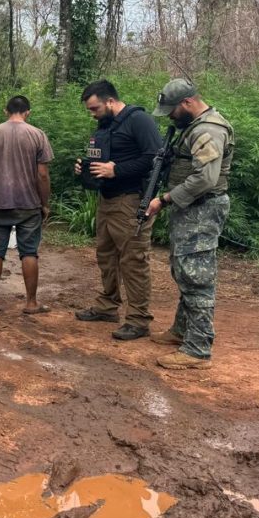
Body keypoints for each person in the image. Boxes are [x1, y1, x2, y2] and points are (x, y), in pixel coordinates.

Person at [144, 79, 234, 370]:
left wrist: (166, 199)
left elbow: (206, 179)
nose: (170, 117)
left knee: (197, 276)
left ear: (187, 103)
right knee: (184, 270)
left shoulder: (208, 130)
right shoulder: (195, 127)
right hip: (191, 209)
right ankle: (182, 330)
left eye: (172, 111)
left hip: (201, 209)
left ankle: (198, 348)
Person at [73, 80, 163, 341]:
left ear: (110, 101)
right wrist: (84, 168)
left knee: (133, 260)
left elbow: (155, 157)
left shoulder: (139, 120)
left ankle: (138, 319)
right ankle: (107, 306)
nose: (93, 113)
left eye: (95, 108)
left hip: (131, 199)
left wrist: (117, 170)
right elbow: (106, 157)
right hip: (107, 199)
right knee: (106, 255)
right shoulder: (107, 125)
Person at [0, 96, 53, 314]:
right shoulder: (37, 134)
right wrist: (44, 203)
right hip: (29, 204)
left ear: (5, 111)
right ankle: (31, 303)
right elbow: (43, 174)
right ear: (27, 112)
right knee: (29, 252)